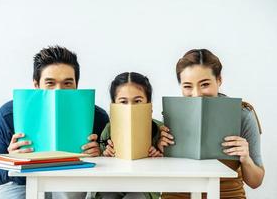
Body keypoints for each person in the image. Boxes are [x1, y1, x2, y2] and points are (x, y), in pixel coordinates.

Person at [0, 46, 109, 199]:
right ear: (36, 85)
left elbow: (111, 171)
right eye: (50, 83)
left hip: (69, 181)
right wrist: (11, 162)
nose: (58, 91)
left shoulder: (97, 116)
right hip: (22, 183)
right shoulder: (8, 114)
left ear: (77, 85)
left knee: (68, 192)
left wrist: (100, 156)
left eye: (67, 83)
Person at [159, 49, 265, 199]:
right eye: (188, 86)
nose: (196, 94)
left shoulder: (243, 114)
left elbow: (256, 182)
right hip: (178, 195)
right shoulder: (170, 114)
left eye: (204, 84)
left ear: (219, 80)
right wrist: (158, 151)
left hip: (228, 195)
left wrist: (246, 159)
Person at [96, 72, 167, 199]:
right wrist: (106, 156)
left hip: (145, 188)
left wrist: (159, 158)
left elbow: (170, 170)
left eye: (138, 101)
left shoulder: (161, 131)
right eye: (123, 102)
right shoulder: (108, 130)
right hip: (112, 185)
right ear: (113, 106)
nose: (130, 108)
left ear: (149, 105)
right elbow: (100, 168)